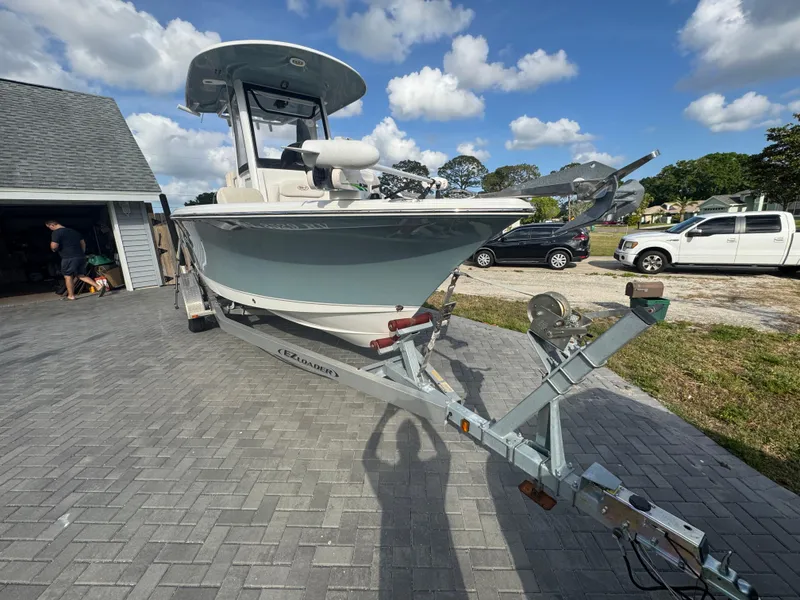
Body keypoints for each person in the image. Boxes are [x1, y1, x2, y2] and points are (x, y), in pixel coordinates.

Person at [45, 220, 105, 300]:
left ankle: (71, 296)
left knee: (68, 276)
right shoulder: (74, 232)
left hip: (68, 257)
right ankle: (99, 286)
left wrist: (53, 249)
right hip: (80, 256)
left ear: (52, 225)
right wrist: (82, 253)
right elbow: (83, 243)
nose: (50, 229)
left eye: (49, 227)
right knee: (80, 275)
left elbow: (54, 246)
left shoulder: (56, 232)